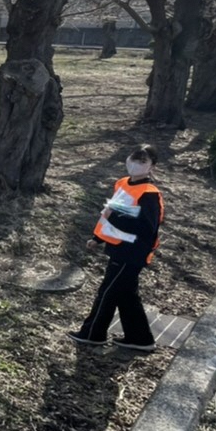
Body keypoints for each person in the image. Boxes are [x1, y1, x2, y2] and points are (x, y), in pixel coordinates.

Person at [68, 144, 162, 351]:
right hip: (118, 248)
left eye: (143, 161)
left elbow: (147, 228)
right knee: (126, 294)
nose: (136, 164)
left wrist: (115, 217)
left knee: (108, 292)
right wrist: (98, 238)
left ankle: (93, 334)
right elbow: (112, 213)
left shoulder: (149, 194)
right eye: (134, 158)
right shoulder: (122, 183)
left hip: (133, 253)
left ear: (152, 166)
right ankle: (140, 339)